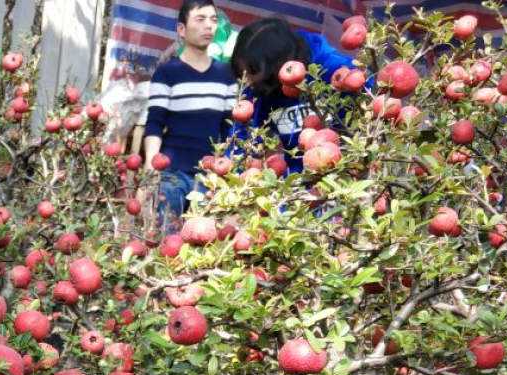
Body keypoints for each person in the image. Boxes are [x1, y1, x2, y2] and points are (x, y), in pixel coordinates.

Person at [139, 0, 238, 228]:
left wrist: (228, 174)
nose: (209, 26)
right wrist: (151, 169)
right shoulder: (166, 73)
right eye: (200, 19)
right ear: (181, 30)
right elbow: (155, 123)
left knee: (203, 246)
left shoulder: (227, 75)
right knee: (164, 239)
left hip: (210, 177)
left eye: (213, 20)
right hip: (171, 174)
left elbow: (229, 128)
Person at [229, 18, 356, 172]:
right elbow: (242, 140)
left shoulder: (335, 70)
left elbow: (371, 111)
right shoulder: (259, 87)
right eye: (242, 73)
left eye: (253, 70)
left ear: (276, 65)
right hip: (298, 183)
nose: (248, 81)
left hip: (346, 172)